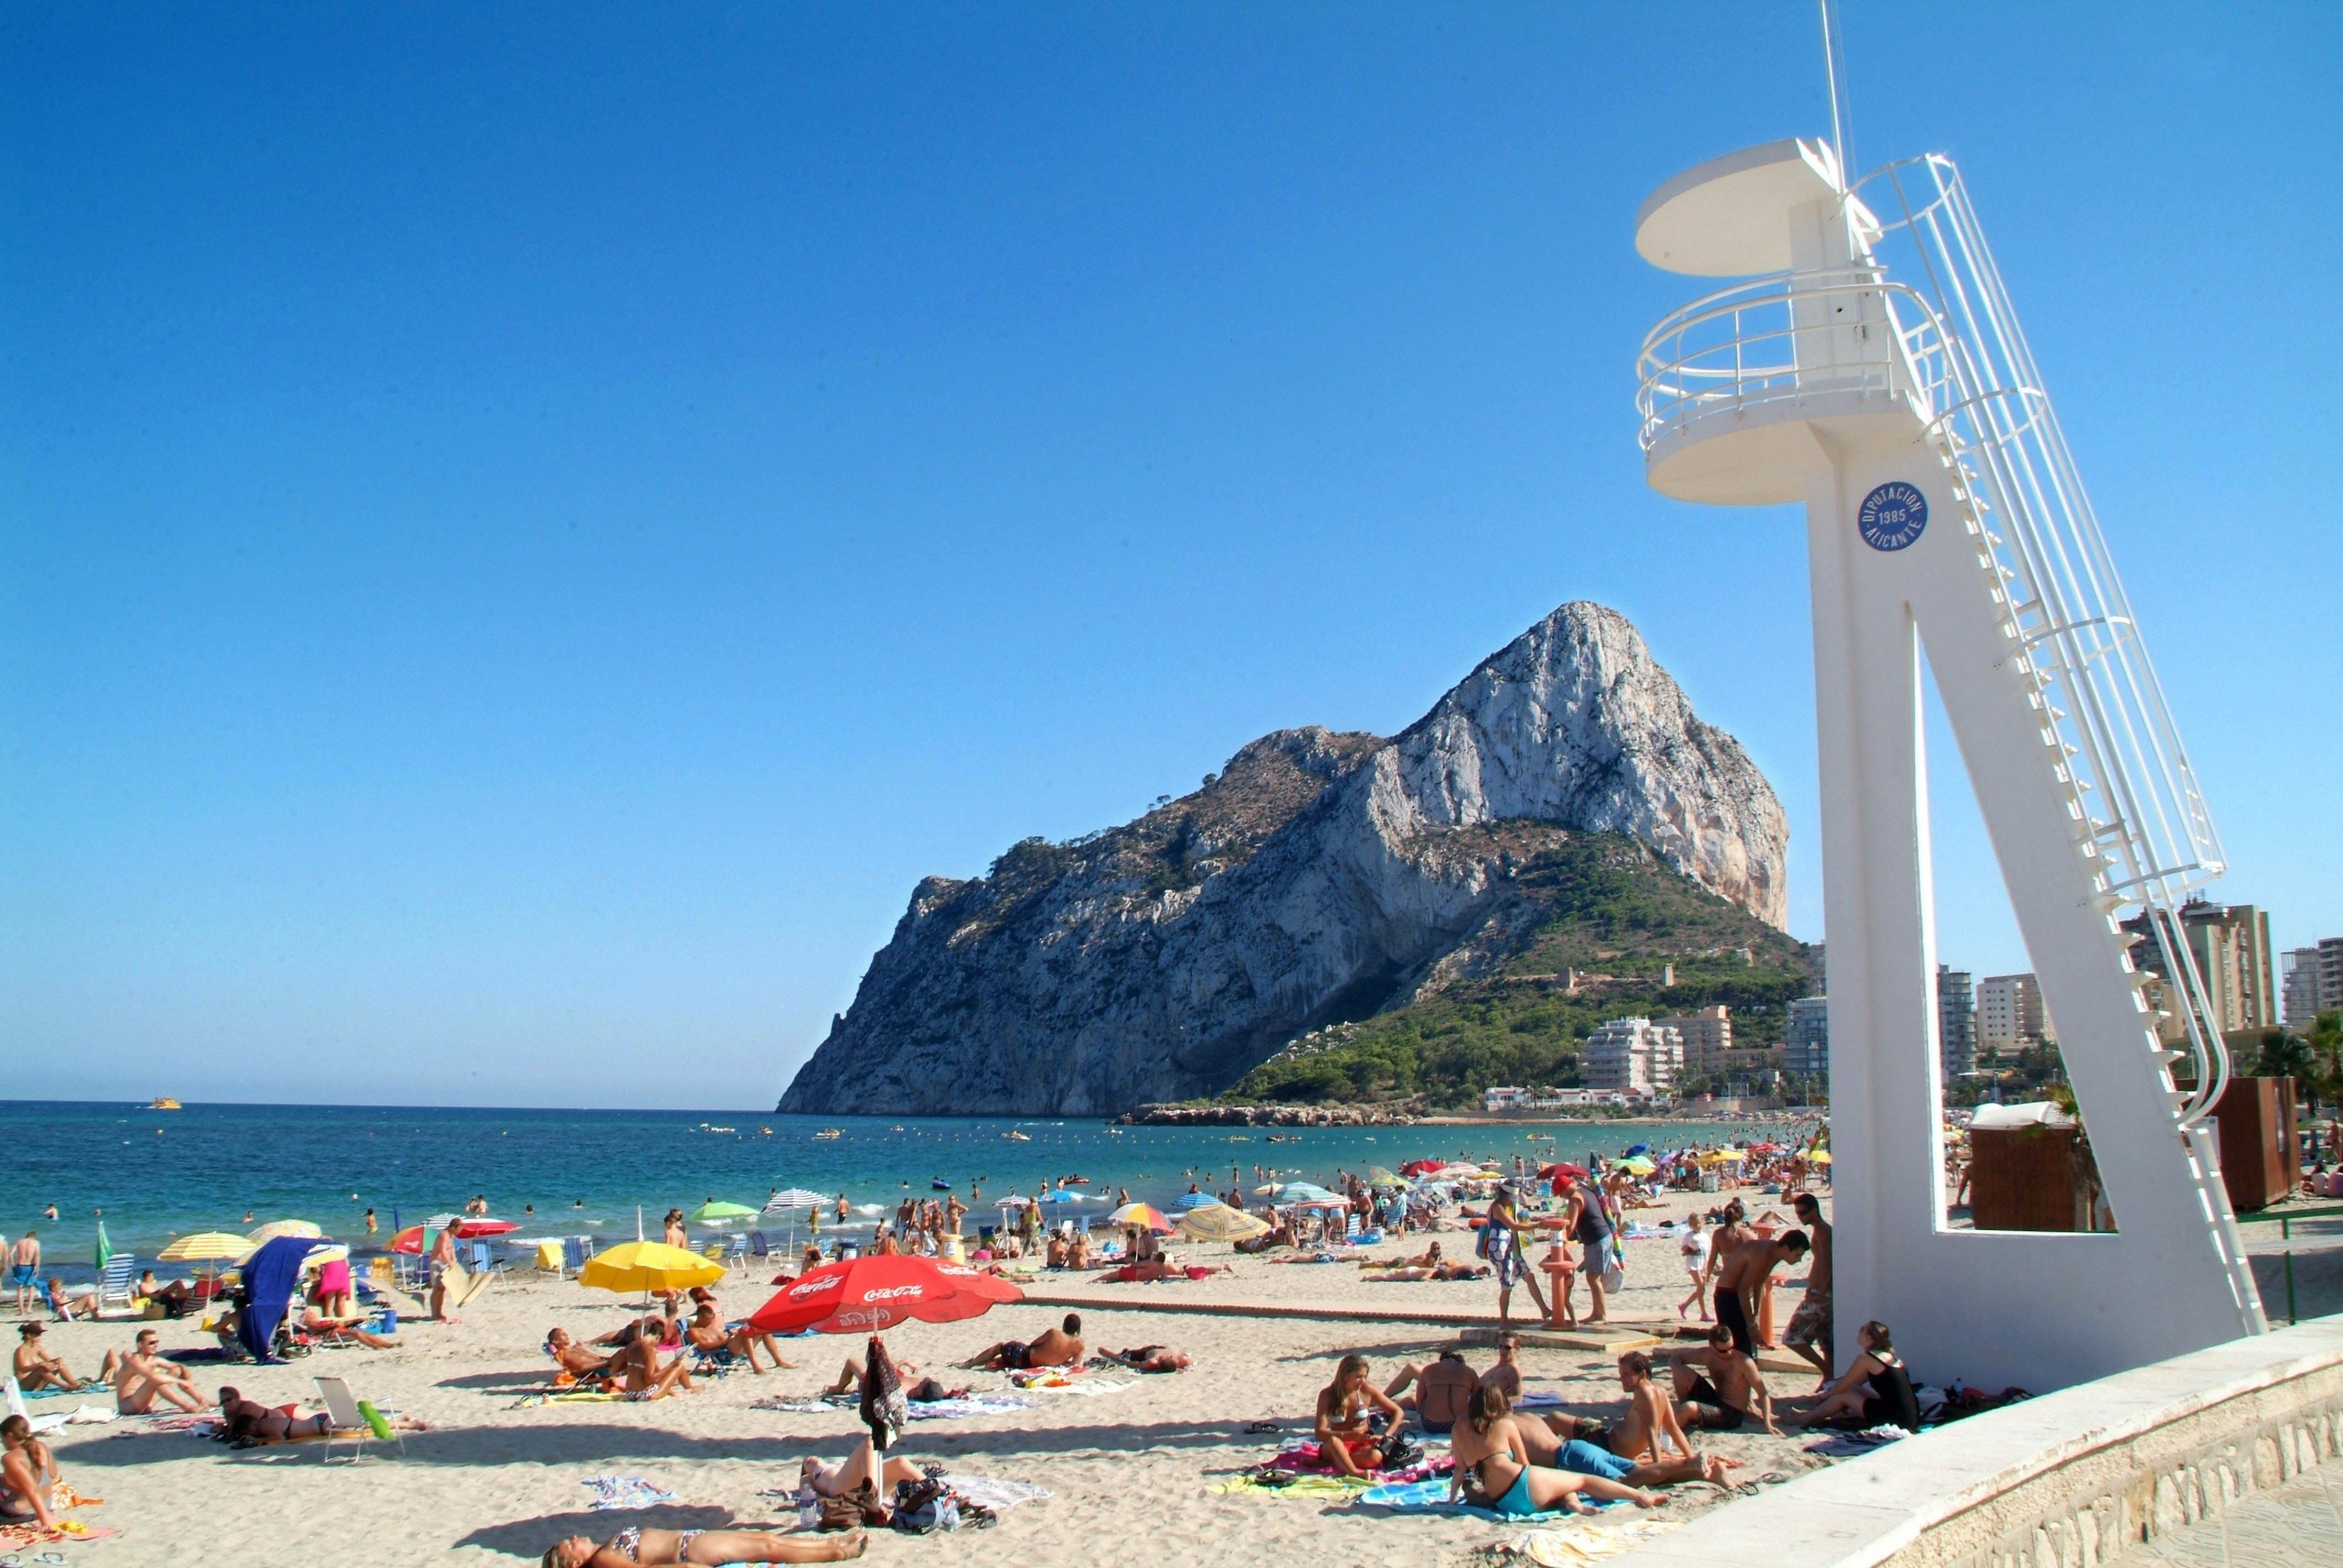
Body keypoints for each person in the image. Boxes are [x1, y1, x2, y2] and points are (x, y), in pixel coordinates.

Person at [1446, 1385, 1664, 1517]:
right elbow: (1525, 1465)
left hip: (1506, 1501)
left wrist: (1451, 1502)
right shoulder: (1505, 1425)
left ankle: (1574, 1504)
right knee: (1582, 1480)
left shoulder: (1458, 1428)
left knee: (1560, 1486)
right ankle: (1641, 1497)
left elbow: (1459, 1471)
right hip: (1522, 1483)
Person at [1524, 1353, 1734, 1485]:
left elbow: (1653, 1432)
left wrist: (1657, 1468)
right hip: (1607, 1435)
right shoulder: (1659, 1391)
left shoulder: (1645, 1393)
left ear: (1642, 1374)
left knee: (1553, 1420)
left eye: (1626, 1374)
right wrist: (1689, 1456)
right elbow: (1672, 1428)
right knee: (1556, 1420)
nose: (1621, 1378)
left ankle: (1528, 1455)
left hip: (1608, 1443)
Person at [1793, 1320, 1920, 1431]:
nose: (1858, 1332)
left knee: (1844, 1396)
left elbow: (1845, 1383)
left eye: (1862, 1330)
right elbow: (1854, 1383)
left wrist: (1826, 1394)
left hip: (1896, 1419)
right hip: (1910, 1416)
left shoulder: (1866, 1359)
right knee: (1851, 1390)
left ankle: (1805, 1418)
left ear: (1869, 1338)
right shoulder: (1888, 1357)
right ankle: (1812, 1414)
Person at [541, 1526, 868, 1566]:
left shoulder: (602, 1552)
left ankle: (832, 1543)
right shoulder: (602, 1561)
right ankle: (837, 1552)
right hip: (689, 1551)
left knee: (768, 1541)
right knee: (768, 1545)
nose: (574, 1538)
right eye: (568, 1545)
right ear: (573, 1565)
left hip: (690, 1541)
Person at [1712, 1229, 1809, 1359]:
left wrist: (1755, 1316)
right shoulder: (1763, 1253)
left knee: (1748, 1346)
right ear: (1786, 1248)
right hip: (1727, 1296)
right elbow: (1742, 1289)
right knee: (1738, 1348)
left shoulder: (1775, 1253)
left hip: (1738, 1296)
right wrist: (1751, 1325)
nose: (1799, 1260)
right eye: (1798, 1255)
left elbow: (1760, 1283)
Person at [1670, 1322, 1778, 1435]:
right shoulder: (1707, 1354)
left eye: (1731, 1348)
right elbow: (1675, 1359)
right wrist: (1677, 1368)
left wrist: (1768, 1424)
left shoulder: (1743, 1362)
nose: (1728, 1353)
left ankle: (1669, 1432)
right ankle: (1683, 1416)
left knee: (1689, 1407)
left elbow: (1763, 1393)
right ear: (1712, 1346)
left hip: (1731, 1414)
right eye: (1723, 1351)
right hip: (1716, 1400)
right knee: (1681, 1371)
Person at [1314, 1353, 1404, 1477]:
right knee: (1334, 1442)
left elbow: (1398, 1412)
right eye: (1358, 1377)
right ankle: (1354, 1472)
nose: (1362, 1381)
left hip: (1362, 1444)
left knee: (1375, 1457)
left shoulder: (1367, 1390)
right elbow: (1320, 1432)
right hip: (1338, 1443)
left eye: (1365, 1377)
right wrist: (1348, 1435)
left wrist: (1386, 1435)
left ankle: (1339, 1462)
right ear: (1345, 1375)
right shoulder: (1327, 1395)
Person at [1782, 1193, 1834, 1387]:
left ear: (1814, 1210)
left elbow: (1827, 1264)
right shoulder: (1820, 1231)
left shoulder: (1823, 1232)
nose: (1800, 1217)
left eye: (1803, 1213)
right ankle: (1829, 1379)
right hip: (1821, 1293)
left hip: (1821, 1295)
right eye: (1797, 1213)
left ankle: (1828, 1372)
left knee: (1791, 1338)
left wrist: (1819, 1291)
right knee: (1826, 1342)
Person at [1482, 1183, 1551, 1328]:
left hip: (1511, 1250)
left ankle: (1545, 1310)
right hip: (1500, 1250)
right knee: (1507, 1286)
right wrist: (1538, 1225)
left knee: (1529, 1276)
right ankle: (1504, 1320)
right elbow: (1514, 1226)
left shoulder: (1507, 1207)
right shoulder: (1498, 1208)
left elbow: (1521, 1216)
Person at [683, 1287, 792, 1373]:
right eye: (708, 1320)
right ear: (700, 1317)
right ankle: (756, 1367)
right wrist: (726, 1340)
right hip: (721, 1354)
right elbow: (703, 1347)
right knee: (746, 1333)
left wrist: (731, 1336)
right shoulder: (693, 1331)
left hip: (729, 1348)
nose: (711, 1322)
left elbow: (724, 1339)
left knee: (763, 1330)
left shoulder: (712, 1329)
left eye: (712, 1319)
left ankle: (779, 1361)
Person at [1382, 1349, 1480, 1435]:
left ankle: (1384, 1409)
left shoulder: (1428, 1370)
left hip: (1431, 1425)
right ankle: (1385, 1408)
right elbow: (1478, 1405)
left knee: (1411, 1400)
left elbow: (1420, 1406)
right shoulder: (1470, 1372)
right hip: (1458, 1426)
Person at [115, 1328, 210, 1414]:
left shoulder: (154, 1360)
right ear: (140, 1345)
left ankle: (202, 1400)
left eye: (157, 1343)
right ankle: (188, 1407)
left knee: (175, 1370)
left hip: (145, 1401)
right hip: (128, 1405)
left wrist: (183, 1370)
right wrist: (180, 1381)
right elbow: (154, 1377)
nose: (155, 1346)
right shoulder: (134, 1361)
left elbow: (178, 1368)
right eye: (151, 1343)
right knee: (155, 1379)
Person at [960, 1313, 1085, 1371]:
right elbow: (1074, 1366)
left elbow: (1034, 1344)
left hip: (1024, 1358)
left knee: (1000, 1347)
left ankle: (972, 1363)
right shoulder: (1080, 1346)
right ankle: (979, 1362)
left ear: (1064, 1325)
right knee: (1004, 1359)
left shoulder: (1054, 1333)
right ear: (1078, 1329)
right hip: (1034, 1366)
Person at [0, 1414, 61, 1530]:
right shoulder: (42, 1447)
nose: (2, 1442)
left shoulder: (10, 1458)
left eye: (1, 1438)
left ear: (9, 1436)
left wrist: (45, 1522)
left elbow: (33, 1490)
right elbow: (53, 1474)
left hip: (21, 1511)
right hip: (47, 1503)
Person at [12, 1323, 83, 1392]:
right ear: (29, 1335)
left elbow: (49, 1361)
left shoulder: (37, 1348)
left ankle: (74, 1384)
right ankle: (65, 1387)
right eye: (38, 1335)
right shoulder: (21, 1350)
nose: (40, 1337)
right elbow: (22, 1370)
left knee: (58, 1365)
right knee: (42, 1369)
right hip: (24, 1384)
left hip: (37, 1383)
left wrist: (57, 1360)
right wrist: (40, 1364)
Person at [1676, 1213, 1713, 1321]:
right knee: (1701, 1287)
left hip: (1703, 1263)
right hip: (1693, 1263)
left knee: (1701, 1289)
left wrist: (1709, 1267)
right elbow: (1683, 1248)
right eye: (1695, 1224)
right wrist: (1690, 1250)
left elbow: (1709, 1251)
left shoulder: (1705, 1236)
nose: (1698, 1226)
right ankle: (1704, 1314)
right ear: (1691, 1225)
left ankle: (1684, 1305)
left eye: (1699, 1223)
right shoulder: (1690, 1236)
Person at [429, 1222, 460, 1324]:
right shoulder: (444, 1235)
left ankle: (439, 1312)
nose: (460, 1232)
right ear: (453, 1227)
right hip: (437, 1263)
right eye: (459, 1229)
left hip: (445, 1264)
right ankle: (434, 1313)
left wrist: (454, 1262)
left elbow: (451, 1250)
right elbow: (443, 1250)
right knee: (437, 1289)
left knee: (442, 1289)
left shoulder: (452, 1236)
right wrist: (450, 1263)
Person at [8, 1231, 39, 1317]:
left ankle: (21, 1311)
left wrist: (13, 1265)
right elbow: (37, 1256)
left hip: (20, 1266)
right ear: (34, 1237)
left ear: (26, 1236)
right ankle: (29, 1308)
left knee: (20, 1289)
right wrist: (37, 1268)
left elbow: (10, 1254)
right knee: (31, 1287)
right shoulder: (36, 1243)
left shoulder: (19, 1242)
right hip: (30, 1266)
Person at [1105, 1344, 1190, 1373]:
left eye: (1159, 1360)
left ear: (1158, 1365)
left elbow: (1137, 1364)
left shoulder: (1152, 1362)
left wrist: (1126, 1362)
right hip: (1161, 1348)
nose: (1159, 1358)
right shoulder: (1182, 1360)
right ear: (1171, 1357)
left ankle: (1114, 1356)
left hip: (1146, 1353)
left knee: (1129, 1354)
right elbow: (1190, 1362)